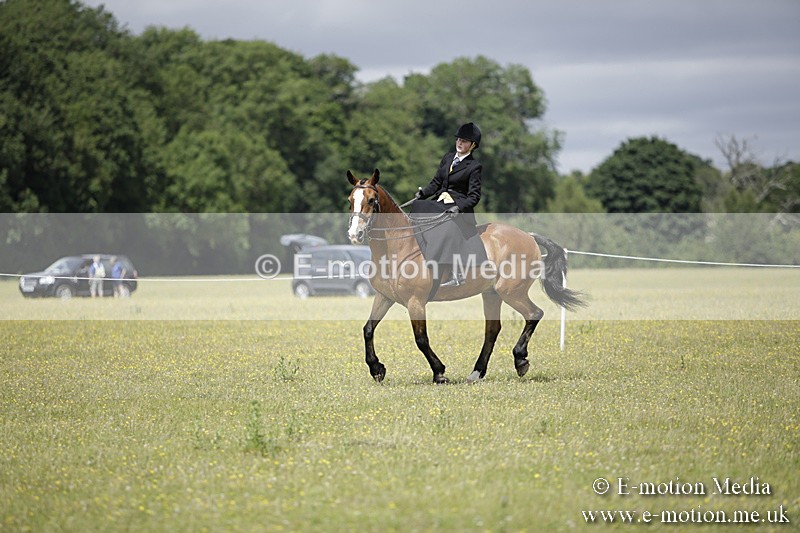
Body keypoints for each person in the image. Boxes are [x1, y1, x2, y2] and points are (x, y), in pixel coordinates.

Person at [412, 122, 482, 287]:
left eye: (464, 141)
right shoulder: (448, 158)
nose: (459, 143)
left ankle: (454, 272)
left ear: (472, 145)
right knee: (417, 206)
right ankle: (424, 257)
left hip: (457, 208)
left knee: (448, 225)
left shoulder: (474, 167)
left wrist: (458, 207)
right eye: (458, 139)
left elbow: (474, 196)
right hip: (440, 202)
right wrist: (423, 193)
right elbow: (436, 182)